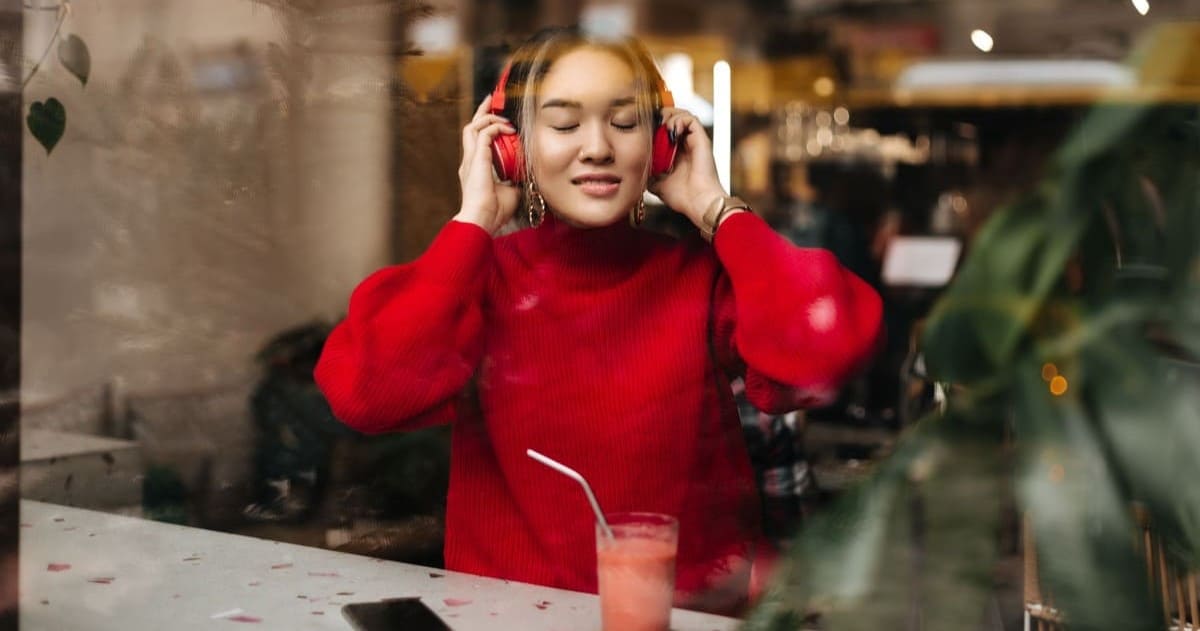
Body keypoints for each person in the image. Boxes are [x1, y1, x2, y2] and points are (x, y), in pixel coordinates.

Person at [314, 26, 882, 615]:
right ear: (512, 147)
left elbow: (830, 352)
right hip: (511, 625)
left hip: (686, 622)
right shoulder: (480, 281)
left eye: (625, 122)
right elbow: (365, 394)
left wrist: (717, 209)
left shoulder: (701, 278)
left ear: (662, 145)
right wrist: (473, 220)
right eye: (563, 125)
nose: (598, 148)